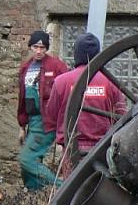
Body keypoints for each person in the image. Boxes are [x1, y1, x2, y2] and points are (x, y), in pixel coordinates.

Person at [43, 32, 126, 176]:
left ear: (76, 54)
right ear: (98, 55)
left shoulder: (61, 81)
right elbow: (122, 115)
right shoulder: (110, 82)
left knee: (73, 195)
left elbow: (50, 115)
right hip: (102, 150)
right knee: (100, 191)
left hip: (71, 149)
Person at [17, 30, 69, 191]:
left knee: (26, 160)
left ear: (46, 48)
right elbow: (22, 98)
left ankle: (62, 188)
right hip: (32, 121)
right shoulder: (26, 68)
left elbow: (67, 91)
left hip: (47, 121)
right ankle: (34, 195)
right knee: (27, 171)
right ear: (30, 47)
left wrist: (63, 122)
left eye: (42, 47)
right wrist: (21, 126)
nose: (39, 51)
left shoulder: (56, 66)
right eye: (35, 47)